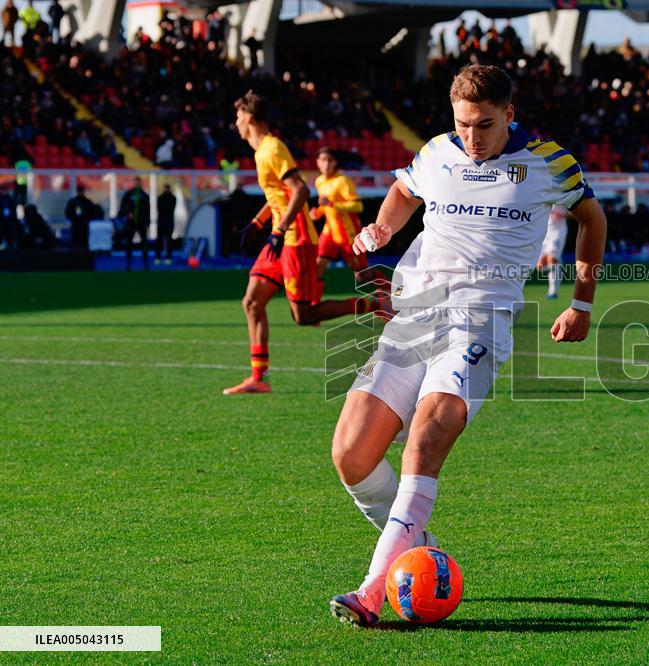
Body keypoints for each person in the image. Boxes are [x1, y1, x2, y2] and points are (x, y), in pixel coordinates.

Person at [328, 65, 607, 627]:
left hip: (480, 322)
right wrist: (382, 229)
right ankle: (414, 538)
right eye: (463, 124)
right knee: (352, 454)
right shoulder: (437, 152)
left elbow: (591, 219)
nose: (473, 139)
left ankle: (373, 590)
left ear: (510, 113)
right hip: (415, 316)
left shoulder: (549, 161)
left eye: (484, 125)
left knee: (426, 437)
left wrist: (581, 302)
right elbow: (403, 191)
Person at [224, 91, 388, 396]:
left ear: (249, 118)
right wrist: (259, 223)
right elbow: (279, 195)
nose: (235, 122)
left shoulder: (272, 148)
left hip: (296, 239)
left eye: (237, 116)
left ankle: (374, 303)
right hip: (280, 237)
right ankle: (259, 377)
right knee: (252, 302)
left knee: (304, 315)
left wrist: (279, 228)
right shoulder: (261, 152)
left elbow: (299, 191)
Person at [311, 147, 385, 300]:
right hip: (329, 231)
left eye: (329, 160)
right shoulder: (319, 181)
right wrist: (318, 212)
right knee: (318, 266)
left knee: (362, 275)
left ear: (335, 162)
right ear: (317, 162)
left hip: (348, 231)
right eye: (322, 160)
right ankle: (312, 304)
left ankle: (395, 293)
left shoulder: (342, 181)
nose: (326, 164)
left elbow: (358, 206)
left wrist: (332, 204)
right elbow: (327, 207)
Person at [536, 204, 569, 299]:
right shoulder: (541, 193)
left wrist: (563, 215)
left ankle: (553, 292)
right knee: (540, 266)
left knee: (552, 259)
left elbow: (576, 213)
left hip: (558, 233)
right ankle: (559, 270)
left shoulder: (565, 193)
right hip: (544, 232)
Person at [119, 176, 150, 270]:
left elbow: (147, 210)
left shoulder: (144, 195)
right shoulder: (129, 194)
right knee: (129, 243)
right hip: (131, 223)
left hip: (141, 222)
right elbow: (122, 206)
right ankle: (128, 263)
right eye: (135, 182)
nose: (137, 184)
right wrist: (128, 213)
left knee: (144, 243)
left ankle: (145, 263)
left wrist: (147, 222)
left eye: (138, 182)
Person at [65, 184, 100, 249]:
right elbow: (67, 213)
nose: (80, 193)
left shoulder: (87, 202)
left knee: (84, 242)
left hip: (84, 226)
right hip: (75, 226)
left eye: (81, 191)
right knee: (75, 242)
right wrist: (74, 219)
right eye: (79, 191)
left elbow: (93, 213)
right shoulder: (73, 202)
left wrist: (86, 219)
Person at [156, 183, 176, 259]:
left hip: (169, 222)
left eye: (167, 188)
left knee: (169, 240)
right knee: (159, 240)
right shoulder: (160, 198)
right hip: (161, 222)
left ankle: (168, 256)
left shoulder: (173, 198)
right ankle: (158, 256)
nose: (166, 190)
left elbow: (170, 208)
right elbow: (160, 208)